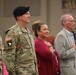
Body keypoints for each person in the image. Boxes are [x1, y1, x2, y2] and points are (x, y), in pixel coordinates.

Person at [4, 6, 39, 75]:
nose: (29, 16)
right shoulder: (12, 32)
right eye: (26, 14)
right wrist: (12, 73)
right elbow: (9, 54)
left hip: (32, 71)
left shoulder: (27, 31)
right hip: (21, 72)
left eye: (29, 14)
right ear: (18, 17)